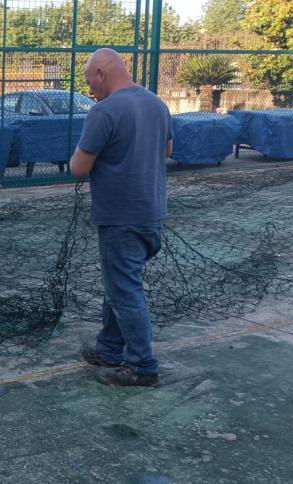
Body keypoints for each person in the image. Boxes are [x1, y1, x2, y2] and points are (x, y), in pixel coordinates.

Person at [69, 48, 172, 387]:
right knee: (119, 285)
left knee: (125, 291)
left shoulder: (104, 111)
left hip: (120, 216)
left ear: (102, 73)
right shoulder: (156, 104)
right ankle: (110, 350)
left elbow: (78, 167)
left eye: (90, 82)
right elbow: (168, 149)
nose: (90, 90)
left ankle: (142, 366)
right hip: (151, 213)